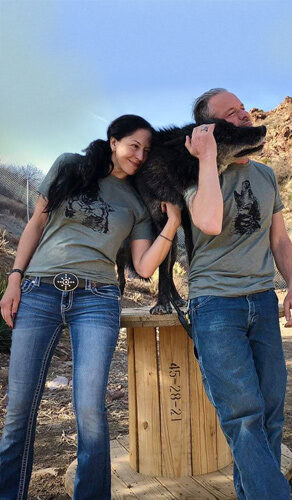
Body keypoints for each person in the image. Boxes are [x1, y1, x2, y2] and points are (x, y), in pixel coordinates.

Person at [0, 114, 184, 500]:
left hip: (96, 299)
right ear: (113, 141)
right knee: (19, 409)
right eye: (134, 145)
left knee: (90, 412)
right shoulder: (71, 166)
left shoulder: (135, 200)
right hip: (39, 290)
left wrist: (172, 224)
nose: (140, 155)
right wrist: (15, 277)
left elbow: (144, 267)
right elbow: (36, 223)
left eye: (146, 151)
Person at [184, 89, 292, 500]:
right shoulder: (190, 172)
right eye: (231, 115)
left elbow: (280, 239)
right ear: (210, 128)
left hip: (262, 301)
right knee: (243, 417)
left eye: (244, 109)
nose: (244, 115)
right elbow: (210, 221)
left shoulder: (266, 175)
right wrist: (205, 158)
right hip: (215, 304)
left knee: (270, 414)